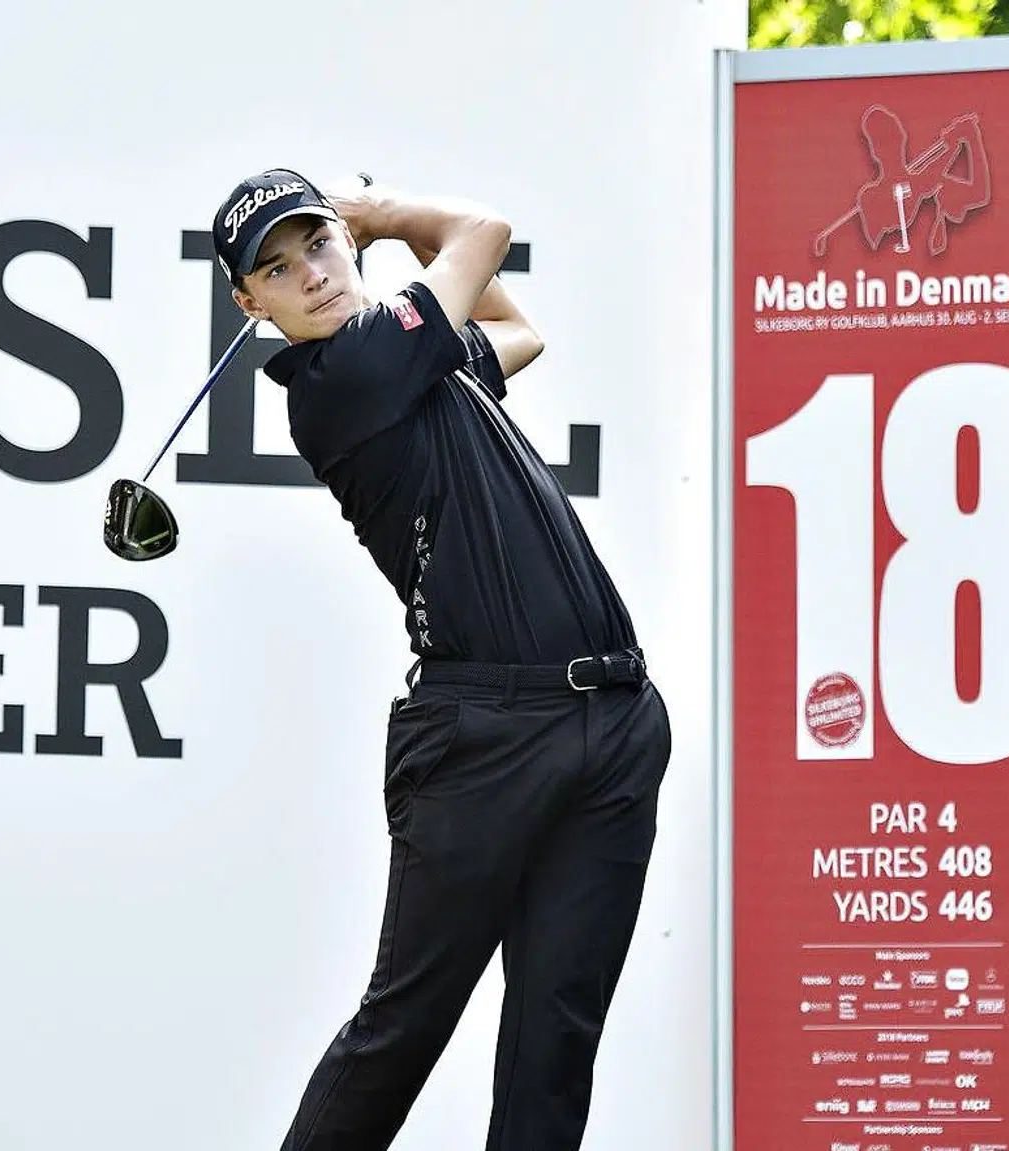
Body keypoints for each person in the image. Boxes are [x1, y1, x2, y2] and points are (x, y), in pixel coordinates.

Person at [210, 169, 671, 1150]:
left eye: (319, 245)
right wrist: (380, 217)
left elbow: (516, 331)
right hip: (485, 737)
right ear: (251, 306)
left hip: (613, 716)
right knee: (403, 1027)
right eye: (279, 270)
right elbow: (485, 228)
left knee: (555, 1040)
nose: (313, 275)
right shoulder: (349, 375)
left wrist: (381, 243)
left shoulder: (418, 360)